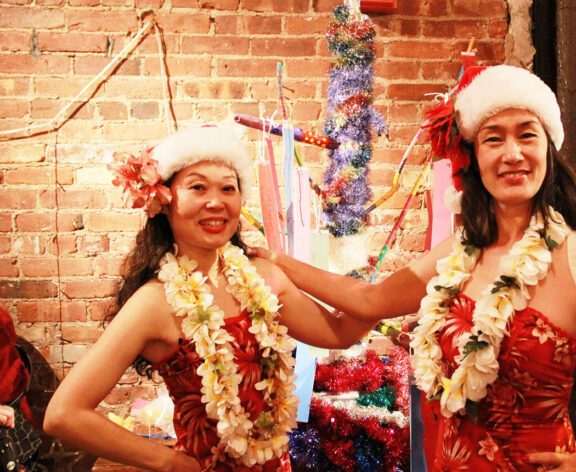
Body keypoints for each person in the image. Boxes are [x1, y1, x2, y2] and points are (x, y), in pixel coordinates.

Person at [252, 65, 576, 471]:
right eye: (494, 138)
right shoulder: (458, 254)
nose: (511, 153)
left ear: (548, 150)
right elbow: (370, 300)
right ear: (475, 158)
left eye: (526, 134)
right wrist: (276, 261)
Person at [43, 126, 377, 471]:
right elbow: (63, 414)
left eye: (228, 188)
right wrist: (167, 461)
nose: (216, 201)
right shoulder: (155, 302)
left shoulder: (263, 277)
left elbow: (341, 332)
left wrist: (285, 263)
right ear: (165, 201)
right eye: (198, 187)